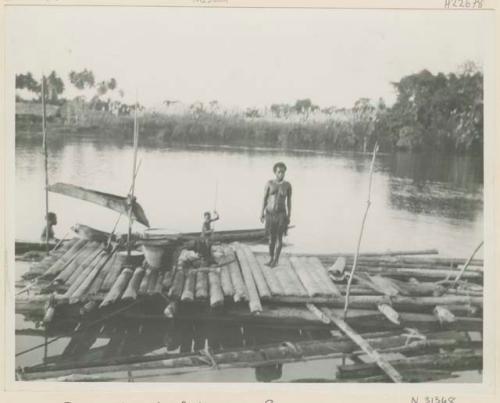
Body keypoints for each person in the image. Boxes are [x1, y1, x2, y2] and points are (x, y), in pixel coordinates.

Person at [260, 162, 292, 267]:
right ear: (275, 172)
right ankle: (271, 258)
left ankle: (276, 260)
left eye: (283, 172)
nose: (281, 174)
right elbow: (264, 199)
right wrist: (261, 213)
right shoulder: (269, 183)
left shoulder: (287, 185)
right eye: (279, 172)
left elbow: (289, 202)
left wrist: (289, 216)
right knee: (271, 238)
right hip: (270, 214)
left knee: (279, 238)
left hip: (281, 215)